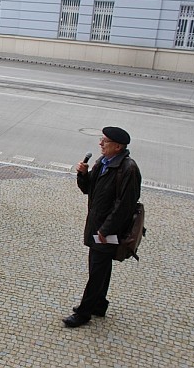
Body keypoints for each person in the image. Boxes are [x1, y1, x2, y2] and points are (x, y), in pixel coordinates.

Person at [63, 127, 141, 328]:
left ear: (117, 146)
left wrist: (106, 230)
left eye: (105, 141)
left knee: (97, 270)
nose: (100, 144)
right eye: (101, 140)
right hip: (97, 226)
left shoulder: (128, 169)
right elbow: (87, 189)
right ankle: (99, 304)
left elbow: (124, 205)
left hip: (107, 231)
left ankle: (84, 313)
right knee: (102, 267)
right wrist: (82, 174)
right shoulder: (103, 163)